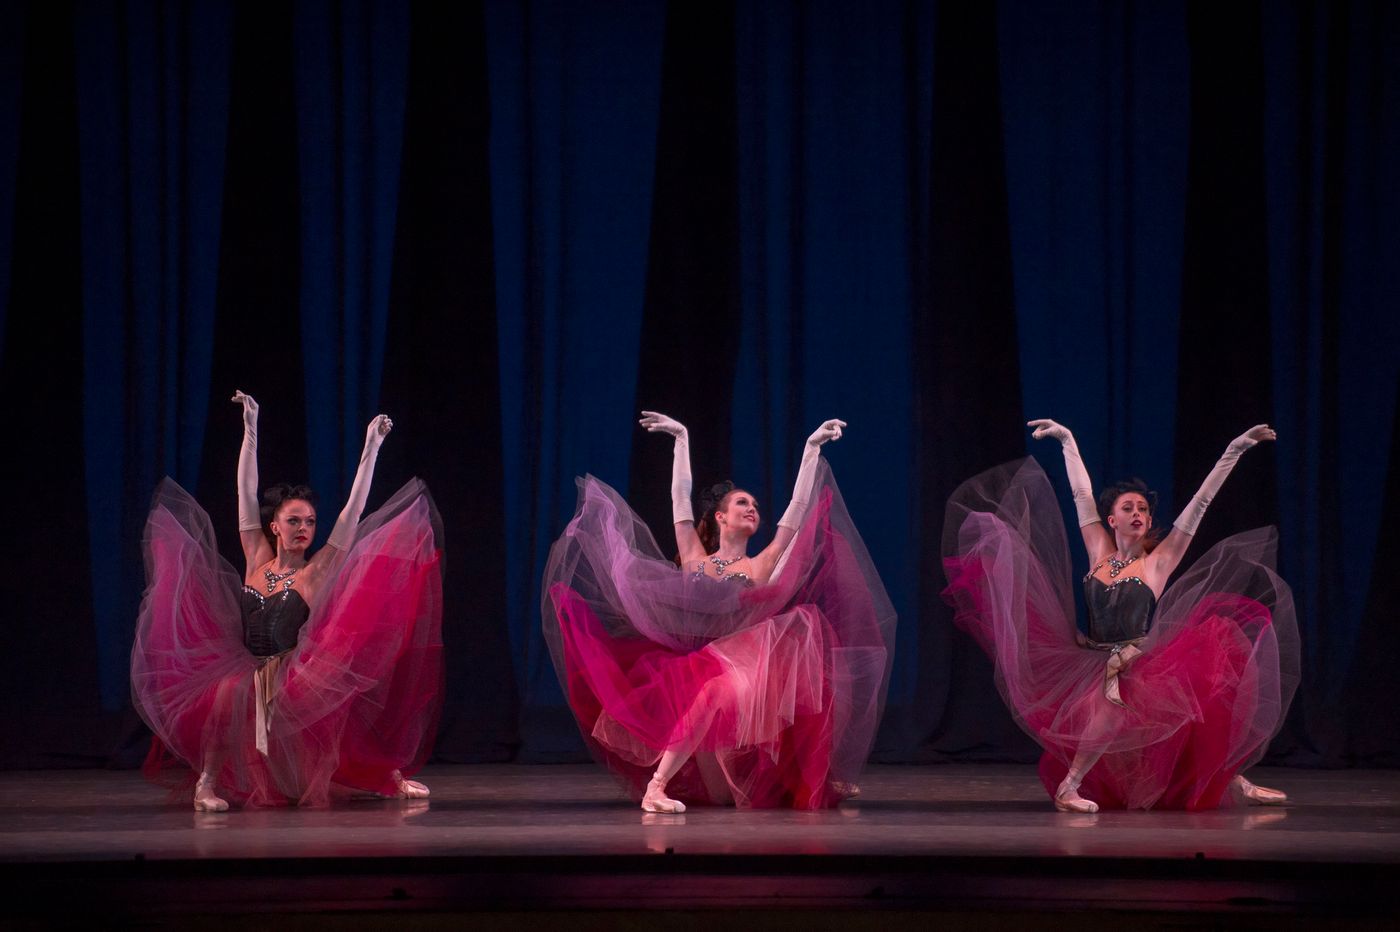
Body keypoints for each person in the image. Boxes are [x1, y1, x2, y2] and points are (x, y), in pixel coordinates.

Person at [542, 412, 895, 812]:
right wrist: (681, 438)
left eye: (755, 505)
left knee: (722, 688)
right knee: (722, 795)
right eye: (742, 502)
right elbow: (679, 500)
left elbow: (796, 512)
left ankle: (657, 787)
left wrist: (811, 449)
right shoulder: (695, 558)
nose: (752, 507)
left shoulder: (760, 565)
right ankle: (675, 784)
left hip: (746, 665)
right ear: (720, 516)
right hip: (694, 666)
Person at [942, 419, 1299, 812]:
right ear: (1111, 520)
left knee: (1185, 706)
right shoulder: (1099, 551)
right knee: (1125, 714)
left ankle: (1223, 779)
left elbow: (1200, 503)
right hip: (1092, 657)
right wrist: (1067, 440)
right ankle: (1224, 780)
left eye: (1142, 509)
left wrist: (1234, 450)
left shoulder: (1158, 562)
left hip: (1138, 657)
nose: (1137, 513)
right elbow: (1081, 494)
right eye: (1127, 508)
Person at [131, 390, 444, 809]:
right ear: (274, 526)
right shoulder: (256, 558)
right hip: (248, 666)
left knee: (334, 704)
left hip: (295, 671)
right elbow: (245, 493)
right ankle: (206, 784)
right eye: (293, 520)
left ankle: (388, 774)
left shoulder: (317, 570)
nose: (303, 528)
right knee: (226, 692)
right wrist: (250, 427)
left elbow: (352, 513)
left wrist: (372, 447)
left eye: (310, 522)